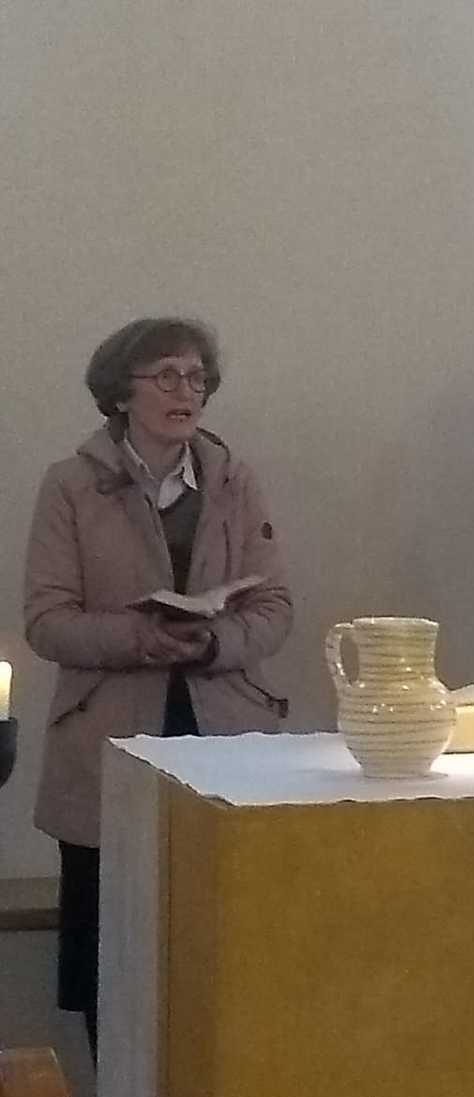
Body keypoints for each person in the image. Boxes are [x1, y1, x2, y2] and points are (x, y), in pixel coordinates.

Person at [23, 317, 292, 1058]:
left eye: (198, 377)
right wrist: (142, 636)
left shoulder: (235, 480)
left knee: (221, 953)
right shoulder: (72, 485)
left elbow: (275, 608)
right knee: (110, 967)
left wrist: (213, 640)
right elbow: (47, 622)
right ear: (121, 393)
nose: (187, 392)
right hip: (109, 747)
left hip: (223, 739)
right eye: (167, 376)